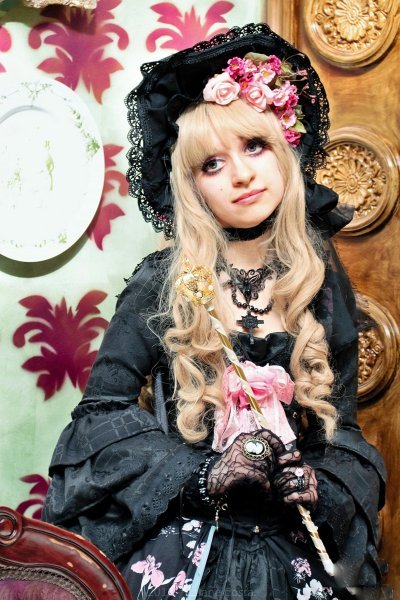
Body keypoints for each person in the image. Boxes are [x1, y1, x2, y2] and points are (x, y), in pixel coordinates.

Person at [43, 23, 389, 600]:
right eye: (212, 164)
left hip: (291, 557)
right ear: (192, 185)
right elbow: (99, 419)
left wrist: (316, 482)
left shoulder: (321, 286)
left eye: (254, 146)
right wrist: (202, 474)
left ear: (286, 150)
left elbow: (345, 431)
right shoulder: (162, 283)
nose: (241, 175)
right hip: (185, 552)